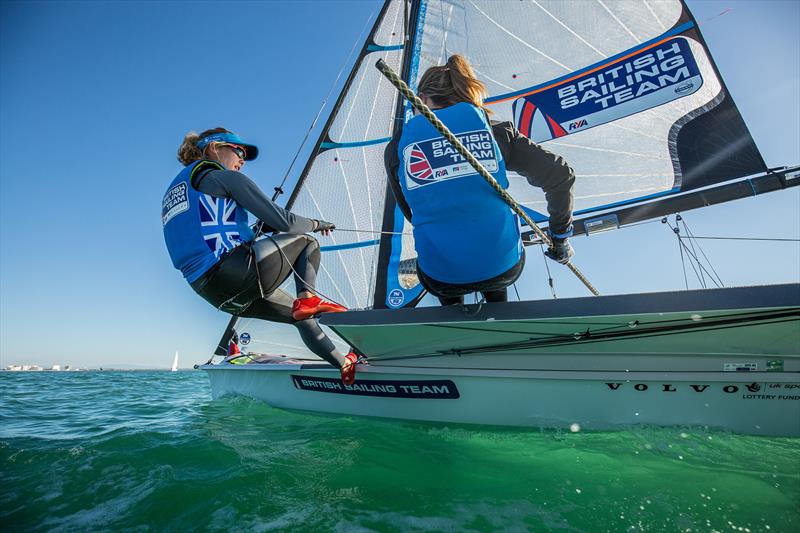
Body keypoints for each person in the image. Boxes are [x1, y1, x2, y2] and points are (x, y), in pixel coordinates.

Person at [162, 127, 360, 383]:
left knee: (300, 316)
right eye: (239, 151)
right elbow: (286, 222)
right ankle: (308, 299)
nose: (242, 159)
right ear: (214, 148)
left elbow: (205, 227)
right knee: (306, 242)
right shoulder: (223, 177)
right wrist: (319, 223)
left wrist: (258, 229)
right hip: (234, 271)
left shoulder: (179, 188)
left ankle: (345, 367)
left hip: (210, 292)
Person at [386, 55, 576, 306]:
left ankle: (455, 318)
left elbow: (408, 209)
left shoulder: (398, 147)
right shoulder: (496, 133)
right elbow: (561, 175)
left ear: (421, 99)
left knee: (446, 274)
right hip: (503, 267)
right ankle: (498, 312)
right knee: (494, 269)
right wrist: (560, 238)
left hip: (440, 275)